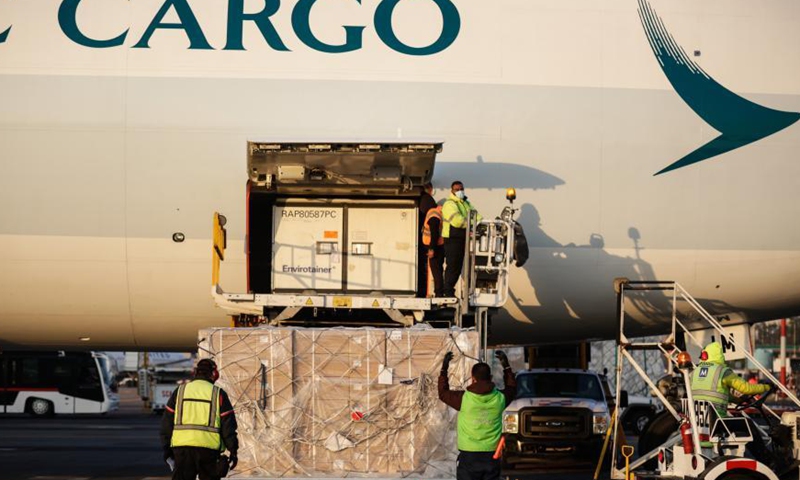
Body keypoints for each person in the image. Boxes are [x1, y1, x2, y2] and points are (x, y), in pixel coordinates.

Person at [439, 351, 516, 480]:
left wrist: (444, 368)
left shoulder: (464, 399)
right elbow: (512, 388)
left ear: (473, 378)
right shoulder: (500, 399)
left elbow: (442, 393)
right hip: (492, 454)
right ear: (490, 378)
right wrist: (506, 367)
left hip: (469, 455)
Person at [691, 342, 773, 457]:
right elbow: (746, 388)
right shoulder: (722, 372)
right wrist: (766, 387)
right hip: (717, 423)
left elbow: (714, 393)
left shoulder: (695, 372)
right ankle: (765, 457)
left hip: (698, 425)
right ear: (719, 355)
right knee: (747, 424)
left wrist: (738, 401)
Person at [161, 359, 239, 480]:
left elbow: (166, 423)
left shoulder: (180, 391)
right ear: (214, 374)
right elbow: (228, 426)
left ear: (196, 372)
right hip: (209, 451)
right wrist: (233, 450)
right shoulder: (218, 393)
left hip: (182, 450)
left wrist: (166, 449)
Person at [442, 181, 482, 297]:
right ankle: (448, 291)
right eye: (457, 189)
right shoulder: (449, 204)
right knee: (453, 265)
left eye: (461, 189)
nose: (460, 191)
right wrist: (473, 223)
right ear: (452, 191)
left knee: (458, 266)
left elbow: (477, 216)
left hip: (461, 238)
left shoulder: (466, 203)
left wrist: (481, 222)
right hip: (452, 238)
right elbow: (457, 221)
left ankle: (449, 290)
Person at [418, 183, 438, 297]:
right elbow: (434, 228)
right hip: (427, 243)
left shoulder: (422, 199)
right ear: (430, 189)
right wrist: (432, 247)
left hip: (423, 241)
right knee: (426, 268)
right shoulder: (429, 201)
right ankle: (423, 292)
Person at [422, 204, 445, 297]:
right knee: (438, 270)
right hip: (440, 245)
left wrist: (432, 249)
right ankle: (439, 292)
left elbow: (434, 233)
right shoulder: (441, 213)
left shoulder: (434, 214)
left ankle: (439, 293)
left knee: (436, 271)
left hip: (435, 246)